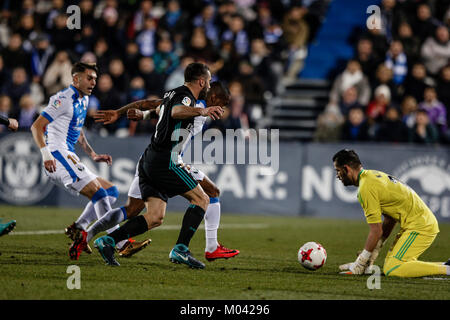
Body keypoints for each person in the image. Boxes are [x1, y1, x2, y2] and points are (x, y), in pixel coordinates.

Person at [75, 81, 239, 262]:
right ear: (214, 97)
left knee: (138, 211)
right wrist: (202, 111)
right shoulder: (194, 105)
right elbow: (174, 110)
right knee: (208, 194)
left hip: (152, 159)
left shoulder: (185, 102)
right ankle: (204, 248)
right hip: (167, 162)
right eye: (223, 103)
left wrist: (139, 114)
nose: (223, 108)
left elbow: (154, 106)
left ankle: (89, 236)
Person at [30, 62, 148, 260]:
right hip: (57, 156)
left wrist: (92, 154)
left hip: (69, 155)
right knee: (100, 195)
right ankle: (121, 243)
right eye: (89, 78)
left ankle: (78, 229)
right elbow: (36, 127)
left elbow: (78, 130)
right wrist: (46, 155)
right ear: (76, 79)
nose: (94, 82)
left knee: (110, 191)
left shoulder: (84, 100)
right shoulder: (62, 99)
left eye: (95, 78)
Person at [333, 149, 450, 277]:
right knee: (390, 264)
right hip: (420, 222)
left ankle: (447, 270)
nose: (338, 175)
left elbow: (376, 230)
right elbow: (390, 219)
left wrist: (361, 262)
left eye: (338, 171)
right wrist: (376, 248)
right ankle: (446, 265)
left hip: (421, 226)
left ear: (346, 168)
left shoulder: (366, 188)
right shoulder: (371, 176)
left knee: (394, 268)